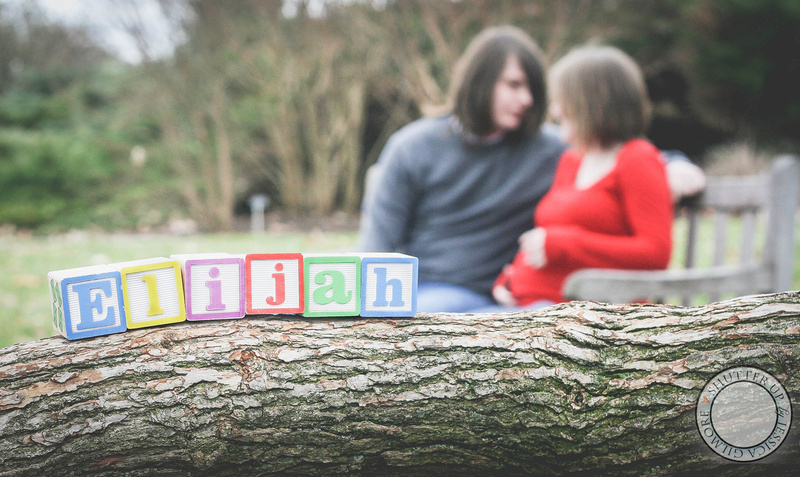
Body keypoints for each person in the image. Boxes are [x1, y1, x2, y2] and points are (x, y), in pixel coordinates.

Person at [358, 26, 703, 312]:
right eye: (513, 85)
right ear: (479, 83)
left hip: (514, 299)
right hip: (434, 290)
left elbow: (616, 149)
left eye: (532, 91)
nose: (527, 101)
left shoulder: (548, 148)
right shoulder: (413, 146)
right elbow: (376, 249)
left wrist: (673, 163)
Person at [490, 45, 673, 309]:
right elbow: (549, 236)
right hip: (527, 303)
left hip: (589, 318)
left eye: (563, 100)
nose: (555, 110)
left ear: (593, 103)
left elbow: (655, 253)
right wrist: (512, 277)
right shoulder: (572, 160)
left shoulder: (637, 159)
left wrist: (567, 244)